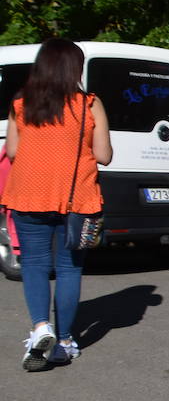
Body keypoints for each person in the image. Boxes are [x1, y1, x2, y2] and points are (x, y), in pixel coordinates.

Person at [2, 38, 112, 370]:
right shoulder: (89, 104)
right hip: (75, 197)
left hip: (27, 194)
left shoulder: (21, 103)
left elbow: (12, 153)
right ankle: (64, 341)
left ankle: (40, 328)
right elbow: (104, 155)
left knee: (33, 265)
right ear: (74, 69)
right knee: (68, 268)